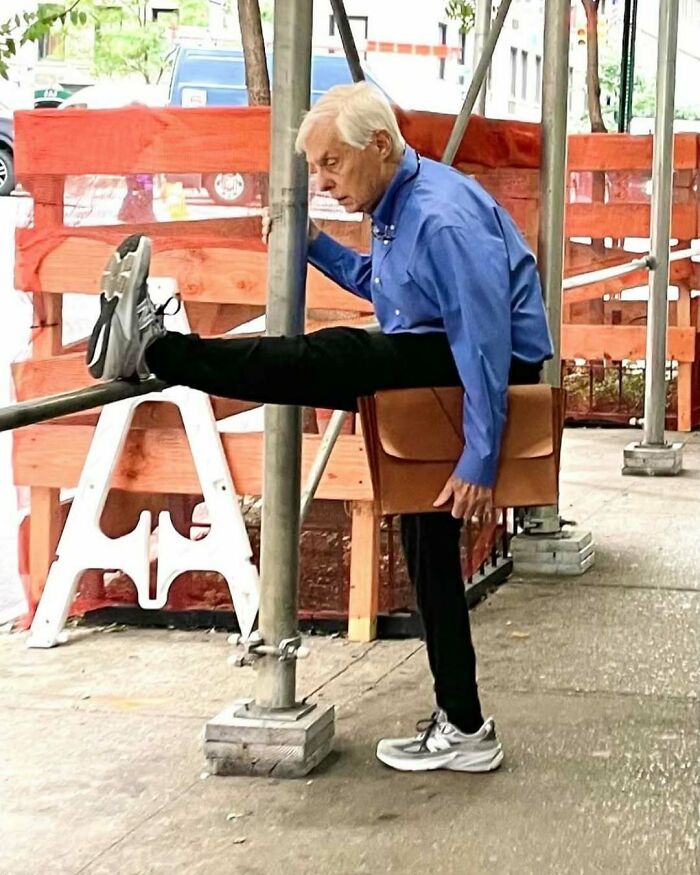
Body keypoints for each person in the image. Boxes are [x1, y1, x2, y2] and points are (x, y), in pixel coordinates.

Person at [86, 82, 553, 773]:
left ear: (382, 146)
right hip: (447, 355)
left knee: (332, 357)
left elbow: (482, 337)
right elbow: (390, 288)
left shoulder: (439, 218)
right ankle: (466, 726)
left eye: (331, 163)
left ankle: (158, 347)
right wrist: (314, 247)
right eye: (316, 167)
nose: (323, 181)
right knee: (426, 548)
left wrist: (480, 457)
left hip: (485, 364)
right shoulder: (401, 204)